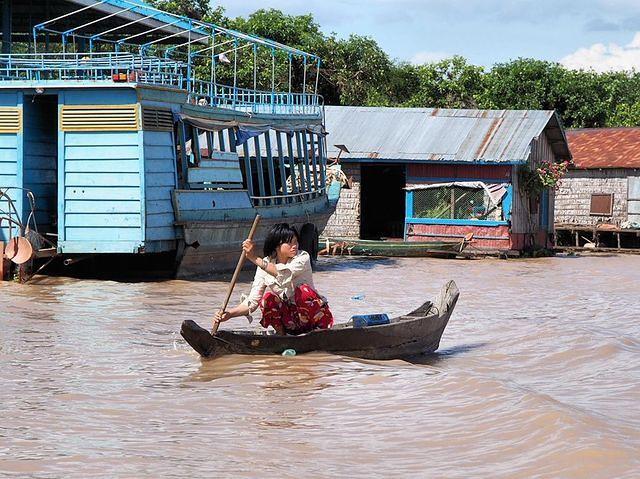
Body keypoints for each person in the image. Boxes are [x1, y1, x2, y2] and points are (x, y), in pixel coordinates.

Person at [213, 223, 334, 335]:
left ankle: (318, 333)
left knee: (303, 291)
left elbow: (283, 273)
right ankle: (282, 336)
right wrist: (229, 314)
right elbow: (253, 301)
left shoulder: (302, 257)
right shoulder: (265, 264)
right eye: (290, 243)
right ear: (277, 246)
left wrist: (254, 258)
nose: (294, 246)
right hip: (291, 322)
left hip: (315, 319)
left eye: (296, 242)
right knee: (268, 299)